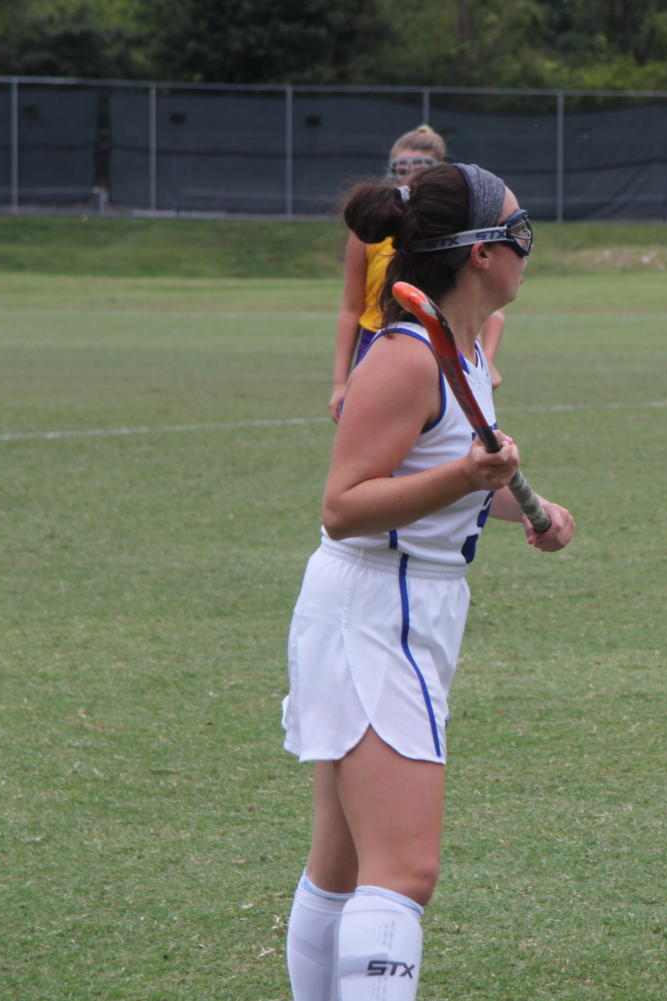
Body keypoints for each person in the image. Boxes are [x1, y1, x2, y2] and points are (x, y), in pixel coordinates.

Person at [283, 162, 576, 1001]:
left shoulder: (466, 354)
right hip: (377, 610)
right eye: (522, 233)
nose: (530, 250)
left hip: (402, 603)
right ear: (481, 253)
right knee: (403, 869)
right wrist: (464, 481)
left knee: (341, 862)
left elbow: (444, 477)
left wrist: (531, 509)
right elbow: (344, 506)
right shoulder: (409, 357)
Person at [330, 125, 506, 421]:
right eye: (402, 168)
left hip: (438, 342)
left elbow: (487, 300)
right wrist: (339, 383)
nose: (409, 177)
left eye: (420, 168)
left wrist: (487, 360)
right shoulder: (370, 231)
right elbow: (351, 308)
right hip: (375, 340)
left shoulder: (450, 229)